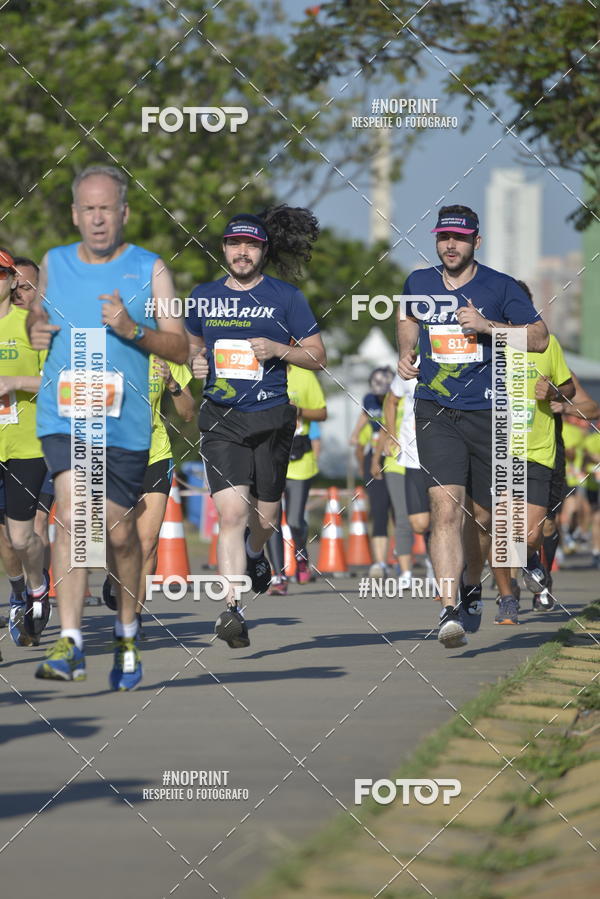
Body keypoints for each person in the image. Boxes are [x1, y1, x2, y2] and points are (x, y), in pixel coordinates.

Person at [28, 164, 188, 688]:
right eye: (88, 209)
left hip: (125, 423)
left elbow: (180, 344)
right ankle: (71, 643)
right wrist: (36, 329)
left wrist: (131, 328)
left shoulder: (151, 269)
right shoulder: (52, 263)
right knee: (72, 516)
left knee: (121, 537)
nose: (97, 219)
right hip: (65, 411)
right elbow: (37, 321)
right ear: (75, 215)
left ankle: (125, 631)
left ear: (124, 213)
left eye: (107, 209)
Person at [397, 204, 549, 648]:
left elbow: (539, 338)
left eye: (459, 238)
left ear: (475, 242)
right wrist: (406, 351)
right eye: (444, 236)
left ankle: (469, 584)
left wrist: (488, 327)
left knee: (482, 519)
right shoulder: (419, 282)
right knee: (445, 507)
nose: (450, 244)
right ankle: (448, 611)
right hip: (435, 409)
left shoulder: (499, 286)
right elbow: (407, 316)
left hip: (488, 414)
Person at [186, 206, 326, 648]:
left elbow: (318, 355)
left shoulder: (286, 297)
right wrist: (194, 362)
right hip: (221, 416)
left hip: (272, 415)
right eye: (234, 244)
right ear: (223, 249)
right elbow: (191, 342)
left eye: (250, 245)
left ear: (263, 251)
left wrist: (278, 349)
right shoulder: (203, 295)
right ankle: (231, 609)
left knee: (265, 517)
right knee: (230, 513)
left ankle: (254, 552)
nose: (241, 252)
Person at [102, 355, 194, 637]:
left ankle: (133, 618)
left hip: (155, 454)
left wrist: (171, 382)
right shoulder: (102, 348)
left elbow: (188, 412)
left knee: (148, 542)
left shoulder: (167, 351)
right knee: (116, 538)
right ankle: (115, 575)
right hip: (111, 454)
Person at [492, 327, 574, 622]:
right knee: (500, 531)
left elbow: (570, 388)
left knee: (531, 533)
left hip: (538, 451)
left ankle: (529, 559)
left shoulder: (548, 344)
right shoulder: (490, 344)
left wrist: (555, 392)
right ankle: (506, 598)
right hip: (498, 450)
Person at [0, 249, 50, 649]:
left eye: (0, 274)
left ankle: (36, 587)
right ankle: (16, 594)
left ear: (13, 280)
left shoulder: (31, 324)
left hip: (26, 445)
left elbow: (59, 381)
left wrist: (13, 381)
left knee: (20, 539)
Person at [267, 363, 327, 594]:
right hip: (270, 454)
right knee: (271, 518)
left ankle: (300, 554)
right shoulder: (263, 373)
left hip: (299, 455)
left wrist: (298, 411)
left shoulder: (304, 375)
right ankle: (278, 575)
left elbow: (322, 412)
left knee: (293, 520)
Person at [373, 366, 433, 587]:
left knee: (444, 516)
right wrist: (391, 434)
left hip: (443, 455)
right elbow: (390, 403)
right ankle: (413, 568)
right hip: (409, 457)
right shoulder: (408, 369)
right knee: (415, 522)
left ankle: (438, 564)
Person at [350, 367, 394, 577]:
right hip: (373, 458)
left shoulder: (396, 400)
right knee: (378, 510)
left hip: (393, 456)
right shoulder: (369, 399)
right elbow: (364, 415)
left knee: (400, 513)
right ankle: (380, 562)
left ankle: (406, 559)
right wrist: (356, 433)